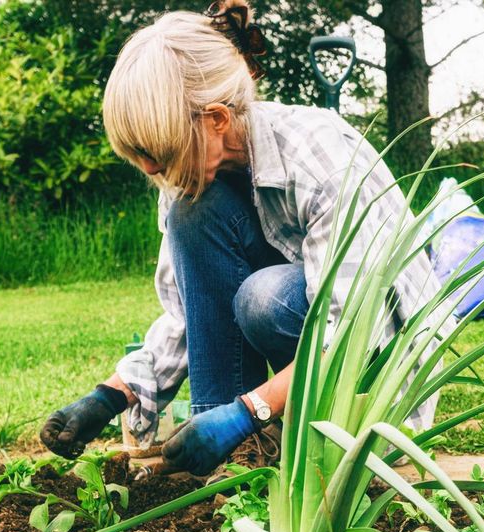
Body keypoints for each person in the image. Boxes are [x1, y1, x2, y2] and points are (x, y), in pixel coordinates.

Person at [39, 2, 444, 475]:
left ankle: (284, 428)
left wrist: (248, 412)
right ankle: (232, 462)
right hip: (303, 353)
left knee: (263, 296)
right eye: (139, 155)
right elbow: (189, 317)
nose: (151, 169)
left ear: (216, 120)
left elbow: (353, 332)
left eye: (158, 152)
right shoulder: (187, 178)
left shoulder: (320, 160)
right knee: (195, 210)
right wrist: (109, 396)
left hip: (379, 360)